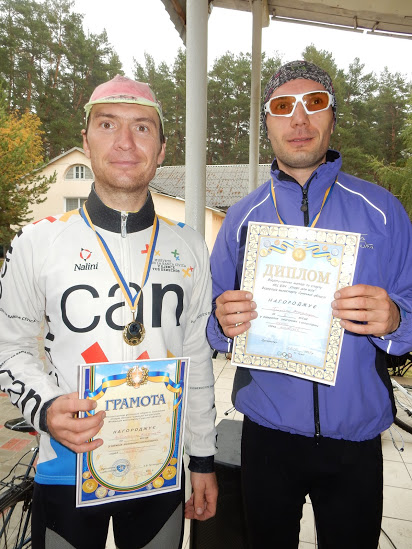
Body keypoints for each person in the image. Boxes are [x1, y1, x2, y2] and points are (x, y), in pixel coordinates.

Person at [0, 74, 218, 549]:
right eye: (107, 124)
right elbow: (9, 348)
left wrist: (202, 458)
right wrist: (46, 407)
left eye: (142, 127)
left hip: (159, 467)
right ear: (86, 141)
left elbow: (197, 358)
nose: (124, 142)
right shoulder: (37, 241)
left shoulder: (189, 246)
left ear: (161, 149)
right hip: (67, 465)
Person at [206, 60, 412, 549]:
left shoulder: (383, 211)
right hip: (267, 433)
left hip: (356, 437)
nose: (298, 119)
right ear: (266, 124)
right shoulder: (242, 217)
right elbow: (211, 320)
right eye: (282, 107)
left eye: (314, 103)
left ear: (333, 117)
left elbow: (410, 314)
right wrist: (221, 321)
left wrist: (395, 318)